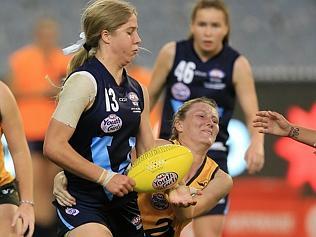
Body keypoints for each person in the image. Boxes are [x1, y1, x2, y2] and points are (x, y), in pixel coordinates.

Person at [42, 0, 176, 236]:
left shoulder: (138, 90)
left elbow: (147, 156)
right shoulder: (84, 82)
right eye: (130, 31)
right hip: (82, 200)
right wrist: (104, 177)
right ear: (106, 36)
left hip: (125, 202)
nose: (138, 39)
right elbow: (53, 145)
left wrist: (176, 186)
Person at [148, 0, 264, 236]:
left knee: (207, 232)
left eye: (215, 25)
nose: (208, 31)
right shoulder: (172, 53)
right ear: (192, 26)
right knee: (156, 225)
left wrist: (257, 144)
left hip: (213, 155)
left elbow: (254, 112)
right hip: (168, 154)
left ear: (226, 28)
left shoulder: (237, 64)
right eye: (202, 24)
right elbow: (146, 101)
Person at [53, 97, 233, 237]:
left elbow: (187, 214)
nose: (210, 122)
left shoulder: (220, 178)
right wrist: (65, 176)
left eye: (215, 121)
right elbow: (108, 166)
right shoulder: (153, 148)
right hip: (119, 226)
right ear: (179, 124)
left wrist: (180, 198)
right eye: (201, 116)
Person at [7, 16, 70, 236]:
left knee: (53, 182)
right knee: (33, 182)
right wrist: (41, 93)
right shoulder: (22, 59)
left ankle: (52, 226)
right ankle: (39, 229)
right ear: (37, 35)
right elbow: (12, 92)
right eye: (45, 33)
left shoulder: (63, 59)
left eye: (51, 34)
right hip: (30, 128)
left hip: (54, 129)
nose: (48, 38)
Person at [0, 81, 34, 237]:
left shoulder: (2, 93)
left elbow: (19, 150)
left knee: (12, 230)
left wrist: (26, 203)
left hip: (1, 187)